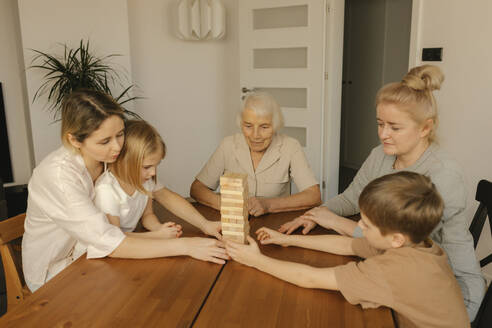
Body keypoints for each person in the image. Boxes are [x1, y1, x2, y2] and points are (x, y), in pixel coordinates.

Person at [278, 65, 485, 320]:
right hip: (396, 266)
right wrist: (316, 214)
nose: (383, 134)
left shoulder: (443, 174)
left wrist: (335, 222)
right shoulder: (380, 155)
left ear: (425, 128)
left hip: (449, 289)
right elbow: (351, 197)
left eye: (394, 128)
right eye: (380, 124)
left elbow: (401, 240)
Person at [22, 90, 228, 292]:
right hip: (55, 271)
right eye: (105, 141)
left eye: (120, 134)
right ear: (75, 140)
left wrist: (205, 225)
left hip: (92, 255)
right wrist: (187, 246)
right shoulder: (59, 177)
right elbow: (110, 242)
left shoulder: (109, 157)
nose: (117, 147)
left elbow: (162, 193)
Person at [226, 172, 470, 328]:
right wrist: (287, 240)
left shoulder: (393, 270)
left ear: (395, 238)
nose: (359, 227)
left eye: (367, 224)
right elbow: (346, 244)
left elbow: (309, 278)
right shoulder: (417, 243)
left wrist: (256, 260)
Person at [190, 91, 321, 217]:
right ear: (241, 124)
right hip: (233, 224)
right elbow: (197, 189)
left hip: (275, 226)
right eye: (248, 126)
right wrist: (227, 205)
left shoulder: (291, 146)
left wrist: (268, 205)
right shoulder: (228, 145)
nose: (255, 135)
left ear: (275, 126)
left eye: (264, 127)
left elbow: (314, 195)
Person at [94, 119, 222, 240]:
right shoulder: (106, 191)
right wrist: (156, 236)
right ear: (124, 162)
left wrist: (159, 228)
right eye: (147, 167)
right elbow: (113, 239)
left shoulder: (145, 182)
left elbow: (149, 214)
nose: (153, 172)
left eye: (156, 165)